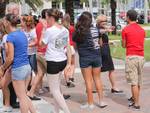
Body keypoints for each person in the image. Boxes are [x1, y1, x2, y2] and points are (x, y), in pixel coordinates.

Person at [0, 14, 37, 113]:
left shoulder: (10, 37)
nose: (2, 23)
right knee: (4, 84)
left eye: (3, 21)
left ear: (7, 23)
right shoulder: (22, 33)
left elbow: (10, 57)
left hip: (18, 68)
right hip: (25, 67)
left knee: (21, 97)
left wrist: (3, 67)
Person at [39, 9, 71, 113]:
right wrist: (69, 63)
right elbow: (68, 47)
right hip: (62, 60)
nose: (46, 19)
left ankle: (67, 111)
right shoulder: (65, 30)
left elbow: (41, 45)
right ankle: (56, 111)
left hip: (53, 62)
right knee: (57, 89)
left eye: (47, 17)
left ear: (51, 17)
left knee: (54, 90)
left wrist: (43, 31)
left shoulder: (49, 30)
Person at [73, 11, 107, 109]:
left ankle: (90, 103)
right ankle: (101, 101)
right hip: (97, 56)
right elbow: (100, 43)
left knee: (88, 81)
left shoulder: (78, 31)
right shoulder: (96, 29)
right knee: (98, 79)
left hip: (85, 58)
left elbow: (75, 46)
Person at [122, 10, 145, 110]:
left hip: (131, 57)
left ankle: (136, 104)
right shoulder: (142, 30)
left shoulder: (125, 29)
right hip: (141, 57)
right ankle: (134, 98)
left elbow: (123, 45)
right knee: (138, 81)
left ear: (128, 17)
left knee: (133, 82)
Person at [96, 15, 123, 94]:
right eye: (103, 22)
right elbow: (100, 33)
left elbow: (104, 40)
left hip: (105, 50)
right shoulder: (97, 29)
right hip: (101, 51)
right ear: (99, 22)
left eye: (106, 22)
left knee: (111, 69)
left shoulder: (103, 29)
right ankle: (95, 87)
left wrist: (110, 42)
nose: (105, 23)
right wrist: (108, 29)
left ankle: (114, 87)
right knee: (97, 70)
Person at [21, 15, 40, 100]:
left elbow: (36, 42)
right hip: (26, 53)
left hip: (32, 53)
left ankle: (37, 88)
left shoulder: (33, 31)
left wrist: (27, 45)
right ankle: (28, 88)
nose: (22, 23)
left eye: (23, 22)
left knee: (35, 71)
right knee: (28, 71)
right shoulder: (22, 31)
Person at [0, 19, 13, 112]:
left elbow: (8, 52)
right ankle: (6, 103)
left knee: (4, 85)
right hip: (7, 63)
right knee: (5, 85)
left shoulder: (6, 37)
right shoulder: (5, 36)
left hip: (7, 63)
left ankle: (7, 104)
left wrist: (3, 65)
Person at [62, 14, 75, 88]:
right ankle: (71, 77)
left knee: (66, 65)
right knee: (72, 64)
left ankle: (67, 80)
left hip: (64, 47)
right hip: (71, 46)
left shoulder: (61, 28)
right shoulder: (72, 28)